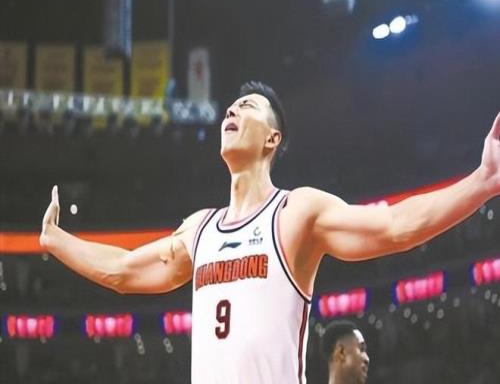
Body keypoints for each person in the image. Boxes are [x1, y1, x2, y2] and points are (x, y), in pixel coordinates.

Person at [40, 81, 500, 383]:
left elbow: (395, 226)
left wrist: (481, 182)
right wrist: (56, 240)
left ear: (271, 139)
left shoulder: (296, 212)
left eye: (248, 106)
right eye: (232, 106)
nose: (232, 109)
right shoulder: (199, 230)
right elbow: (123, 270)